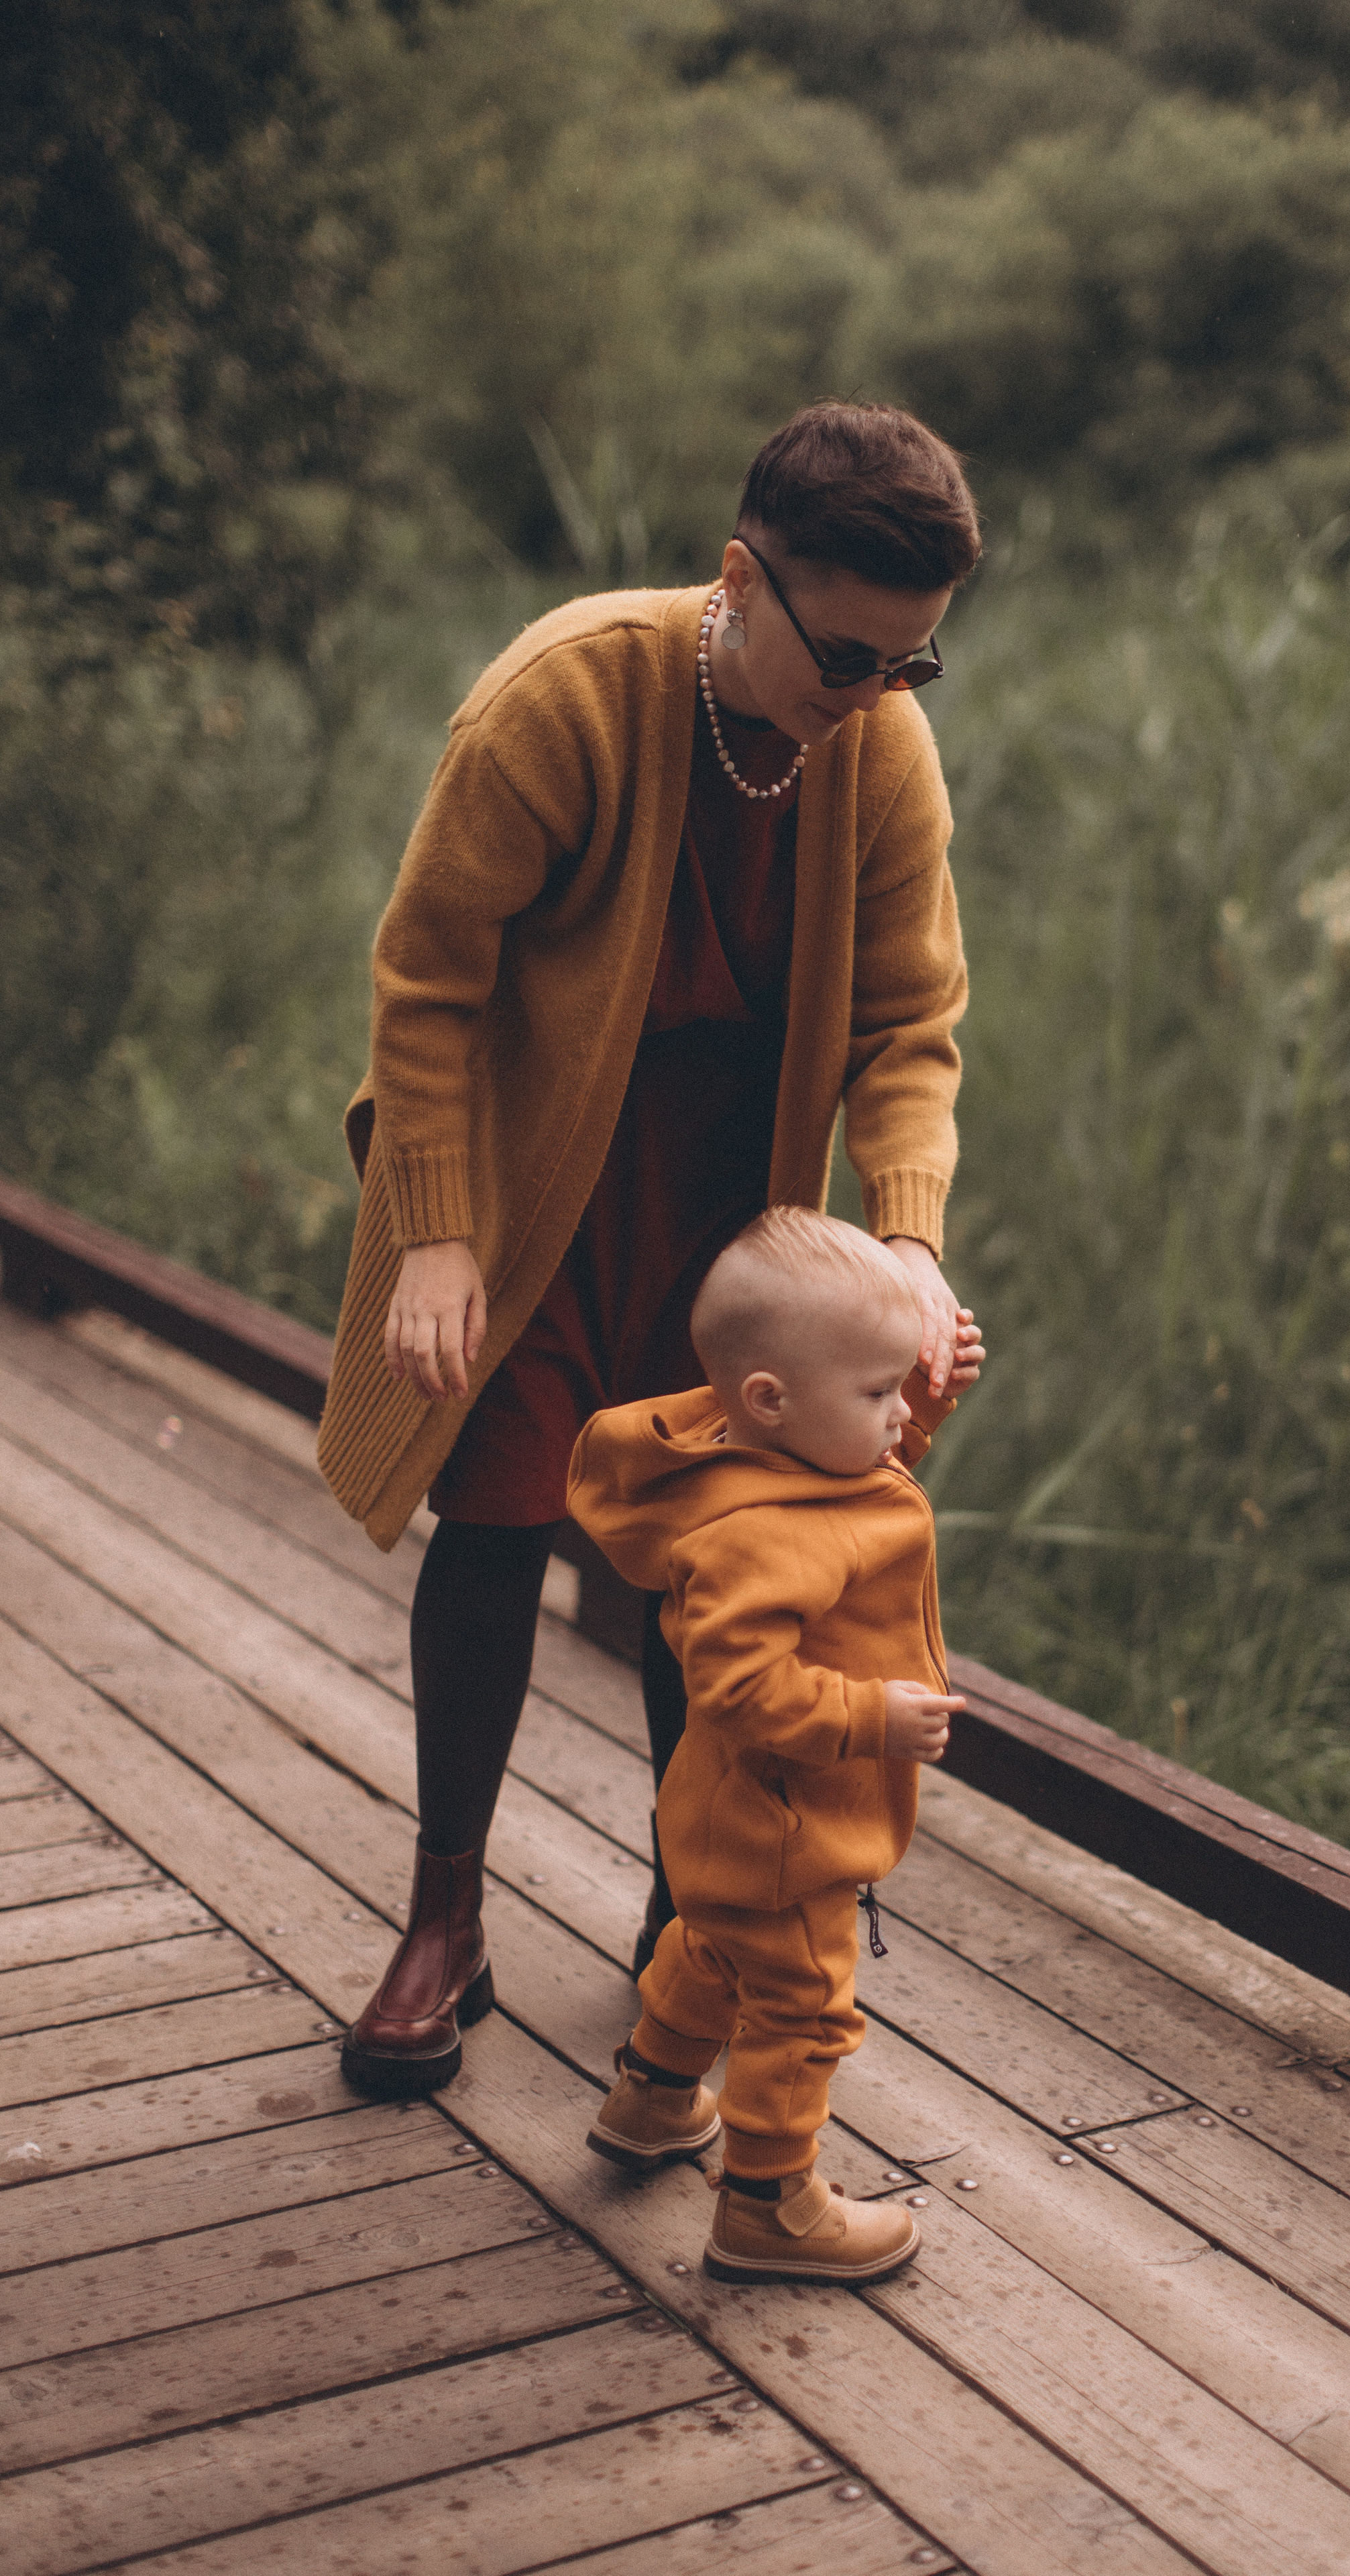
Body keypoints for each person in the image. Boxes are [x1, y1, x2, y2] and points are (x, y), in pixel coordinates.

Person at [315, 402, 983, 2098]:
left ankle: (690, 1917)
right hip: (537, 1186)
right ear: (738, 581)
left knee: (725, 1555)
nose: (873, 695)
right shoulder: (567, 695)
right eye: (847, 653)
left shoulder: (876, 747)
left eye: (914, 666)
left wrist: (905, 1253)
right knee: (499, 1519)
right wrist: (437, 1235)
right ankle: (441, 1918)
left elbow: (910, 1028)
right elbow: (431, 977)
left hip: (727, 1219)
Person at [571, 1209, 975, 2283]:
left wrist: (925, 1393)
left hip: (733, 1821)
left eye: (902, 1391)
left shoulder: (775, 1461)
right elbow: (742, 1685)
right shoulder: (750, 1539)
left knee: (711, 1950)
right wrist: (868, 1720)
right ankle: (767, 2205)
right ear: (770, 1401)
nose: (897, 1419)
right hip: (788, 1824)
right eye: (881, 1393)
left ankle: (652, 2100)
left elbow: (856, 1492)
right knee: (801, 2006)